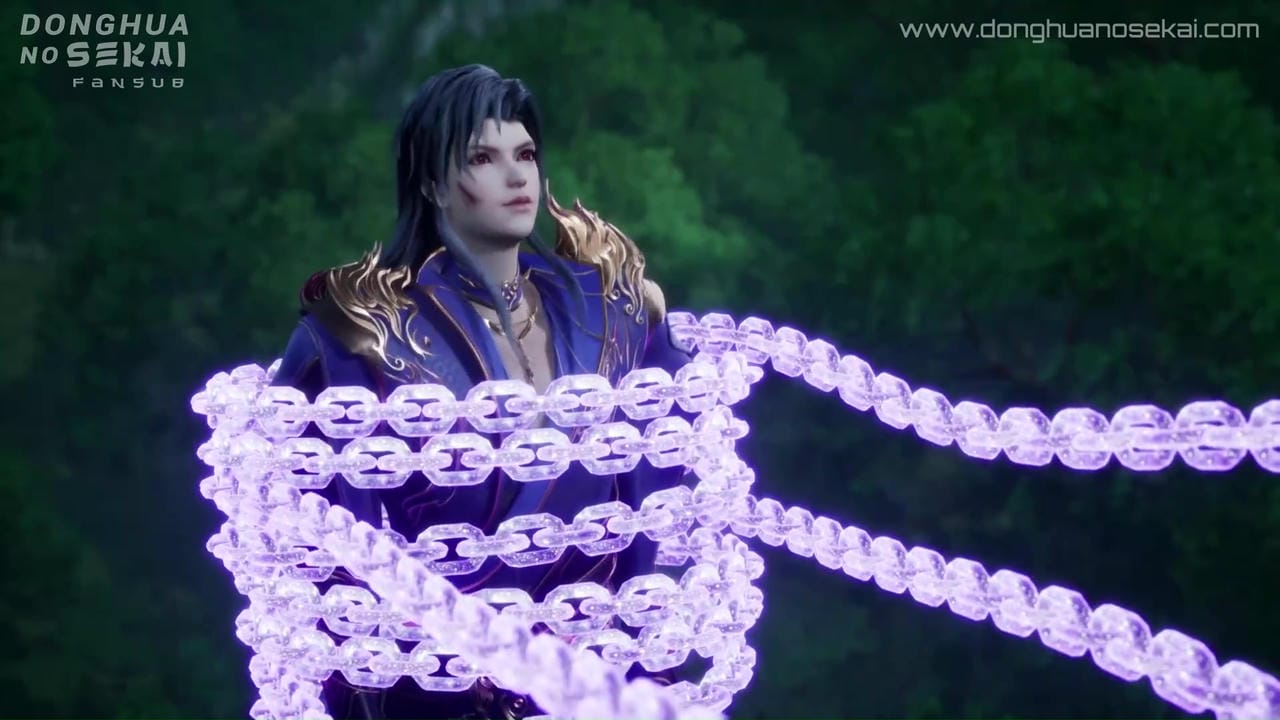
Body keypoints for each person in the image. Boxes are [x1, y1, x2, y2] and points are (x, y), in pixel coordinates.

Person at [271, 64, 694, 719]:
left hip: (594, 683)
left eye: (524, 154)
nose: (516, 176)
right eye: (482, 158)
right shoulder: (362, 331)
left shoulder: (618, 310)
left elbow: (660, 507)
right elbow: (325, 552)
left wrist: (646, 667)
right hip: (432, 689)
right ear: (433, 182)